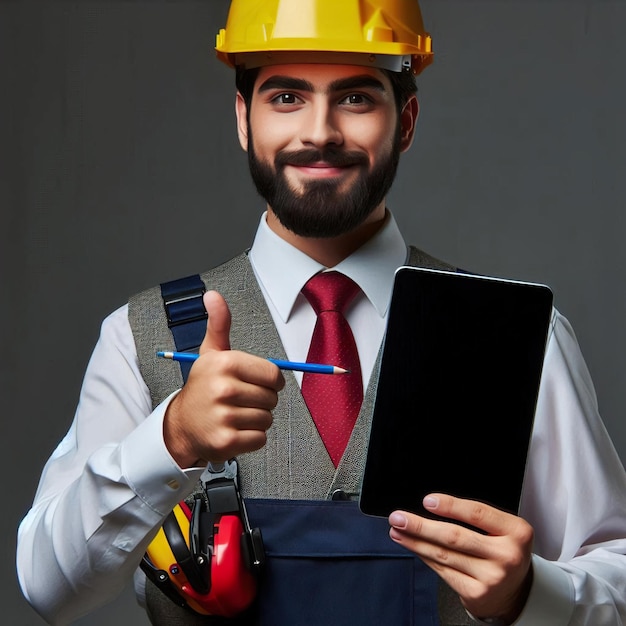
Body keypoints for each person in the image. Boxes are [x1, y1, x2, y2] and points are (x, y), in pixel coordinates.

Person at [16, 0, 626, 624]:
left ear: (407, 120)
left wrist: (526, 594)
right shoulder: (139, 336)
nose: (319, 132)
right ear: (242, 119)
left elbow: (616, 570)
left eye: (356, 99)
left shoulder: (512, 334)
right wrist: (170, 440)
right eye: (286, 98)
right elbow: (47, 586)